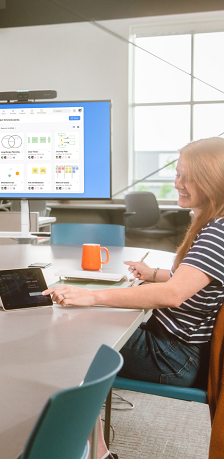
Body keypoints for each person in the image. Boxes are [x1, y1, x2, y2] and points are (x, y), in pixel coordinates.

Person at [44, 137, 224, 459]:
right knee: (89, 325)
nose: (177, 183)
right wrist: (152, 273)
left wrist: (92, 297)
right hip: (173, 348)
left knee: (75, 331)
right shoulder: (214, 225)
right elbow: (189, 280)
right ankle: (93, 445)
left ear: (211, 180)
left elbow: (173, 294)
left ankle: (93, 450)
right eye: (177, 174)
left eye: (185, 176)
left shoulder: (217, 233)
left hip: (173, 357)